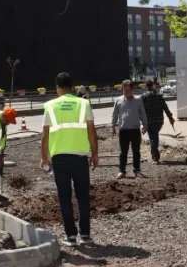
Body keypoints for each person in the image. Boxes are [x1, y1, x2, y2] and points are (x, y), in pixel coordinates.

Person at [41, 72, 98, 247]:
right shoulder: (84, 103)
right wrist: (95, 154)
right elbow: (91, 131)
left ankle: (71, 236)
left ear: (57, 88)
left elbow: (45, 135)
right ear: (72, 87)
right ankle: (85, 235)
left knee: (64, 197)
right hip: (80, 157)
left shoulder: (50, 106)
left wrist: (44, 157)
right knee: (83, 196)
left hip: (59, 158)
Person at [111, 79, 148, 179]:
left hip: (135, 130)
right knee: (123, 152)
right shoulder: (118, 100)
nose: (126, 92)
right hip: (123, 130)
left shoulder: (138, 100)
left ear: (132, 90)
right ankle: (122, 171)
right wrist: (113, 126)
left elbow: (142, 113)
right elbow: (115, 115)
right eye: (124, 90)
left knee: (136, 151)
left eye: (128, 90)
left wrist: (145, 125)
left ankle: (137, 170)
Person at [140, 79, 175, 164]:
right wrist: (170, 117)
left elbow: (140, 111)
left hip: (149, 121)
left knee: (153, 138)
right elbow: (165, 107)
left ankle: (156, 158)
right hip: (159, 120)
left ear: (145, 86)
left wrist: (142, 122)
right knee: (154, 136)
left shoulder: (143, 97)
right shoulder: (159, 96)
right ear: (153, 86)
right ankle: (154, 155)